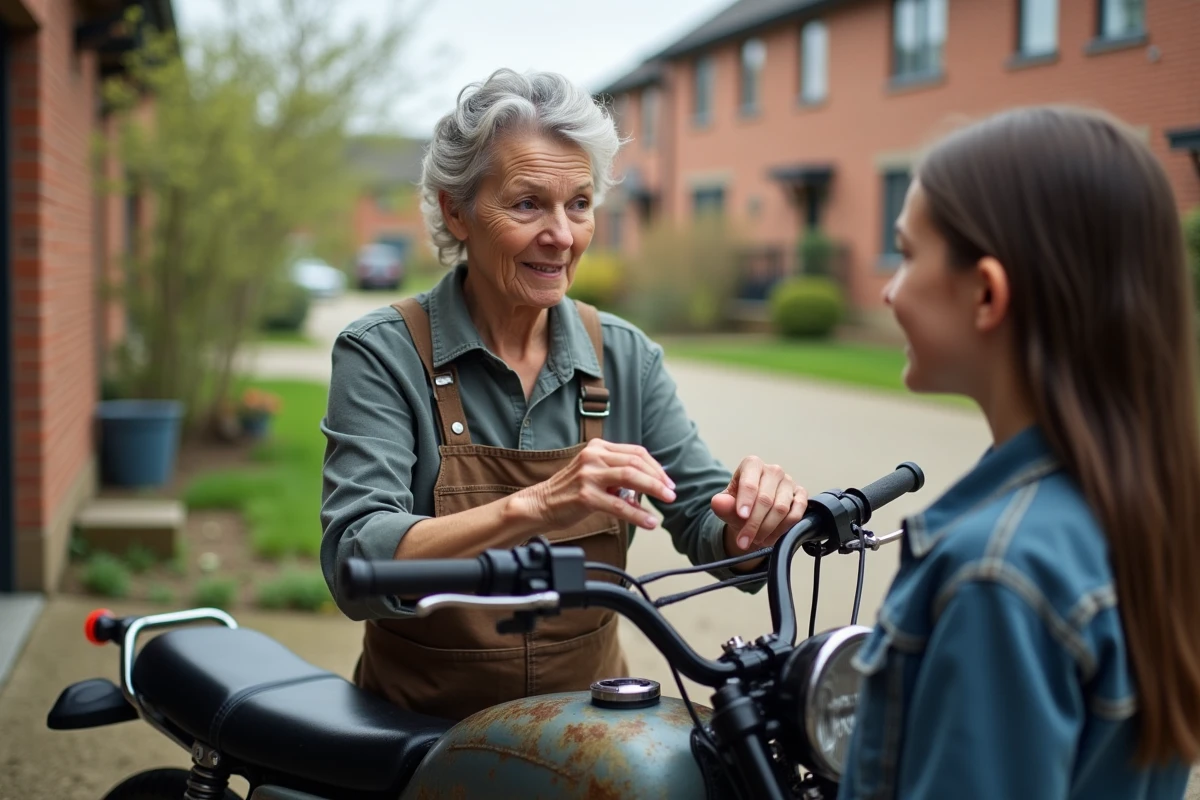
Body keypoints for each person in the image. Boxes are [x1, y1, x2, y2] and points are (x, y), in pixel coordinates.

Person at [318, 68, 810, 722]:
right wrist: (540, 503)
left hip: (593, 733)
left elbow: (701, 518)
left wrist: (753, 522)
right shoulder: (384, 352)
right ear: (454, 210)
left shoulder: (622, 354)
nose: (562, 235)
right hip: (420, 736)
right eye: (527, 204)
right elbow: (357, 556)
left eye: (579, 204)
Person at [839, 105, 1200, 799]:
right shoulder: (1138, 510)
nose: (889, 289)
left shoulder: (995, 575)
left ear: (985, 292)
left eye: (908, 254)